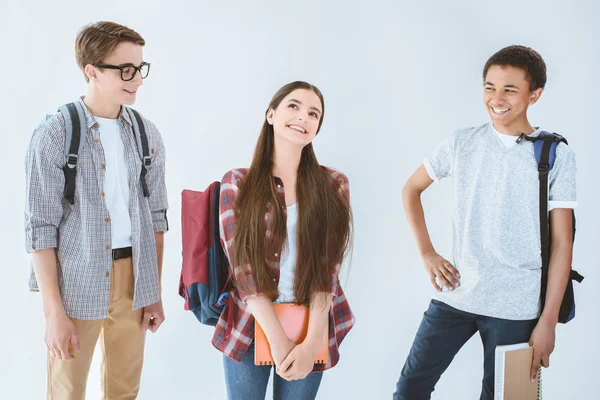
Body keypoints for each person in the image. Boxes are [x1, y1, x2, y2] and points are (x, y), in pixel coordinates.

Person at [394, 45, 577, 399]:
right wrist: (427, 253)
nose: (496, 98)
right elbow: (411, 189)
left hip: (518, 306)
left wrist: (548, 322)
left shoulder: (556, 155)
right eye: (489, 87)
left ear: (534, 95)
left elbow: (563, 245)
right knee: (409, 389)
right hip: (456, 296)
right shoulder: (462, 143)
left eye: (510, 89)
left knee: (506, 397)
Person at [24, 21, 168, 399]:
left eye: (140, 68)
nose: (136, 79)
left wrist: (153, 291)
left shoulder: (145, 133)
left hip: (134, 277)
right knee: (67, 389)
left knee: (124, 389)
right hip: (75, 277)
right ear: (91, 71)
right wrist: (53, 313)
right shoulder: (56, 133)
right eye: (125, 69)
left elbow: (157, 216)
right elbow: (39, 228)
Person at [213, 81, 355, 400]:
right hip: (250, 323)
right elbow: (243, 270)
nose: (303, 117)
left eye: (313, 113)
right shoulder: (237, 183)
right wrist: (278, 341)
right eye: (294, 106)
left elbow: (327, 269)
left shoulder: (334, 185)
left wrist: (310, 342)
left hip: (310, 323)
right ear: (271, 114)